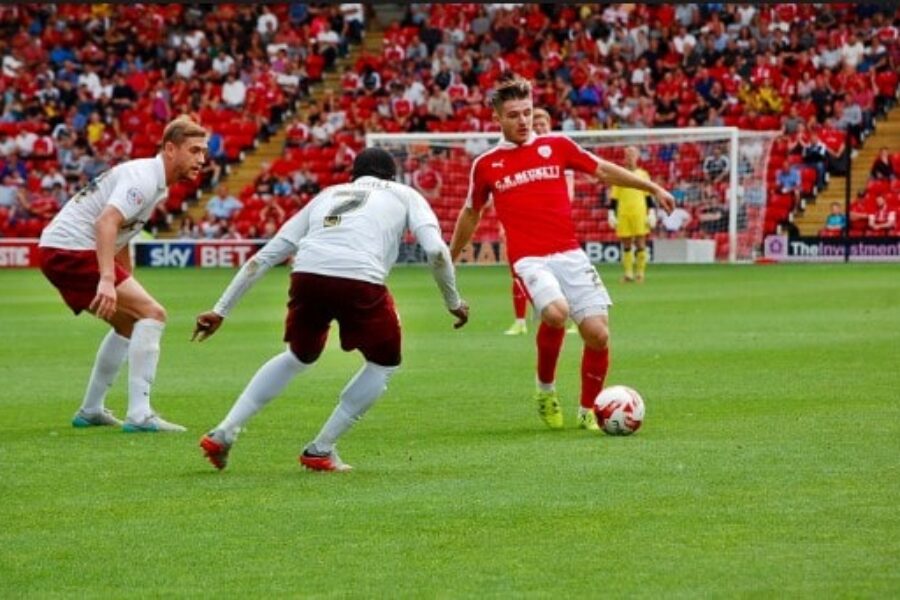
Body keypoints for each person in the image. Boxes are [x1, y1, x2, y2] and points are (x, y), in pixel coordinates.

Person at [194, 148, 469, 472]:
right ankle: (320, 449)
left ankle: (224, 431)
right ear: (391, 176)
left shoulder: (327, 194)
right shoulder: (406, 194)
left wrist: (220, 309)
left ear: (353, 176)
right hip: (360, 282)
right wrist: (453, 302)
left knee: (298, 356)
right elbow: (437, 250)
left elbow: (265, 256)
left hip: (307, 276)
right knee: (383, 364)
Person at [450, 73, 673, 431]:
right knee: (556, 313)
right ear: (498, 118)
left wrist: (651, 187)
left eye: (527, 112)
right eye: (513, 115)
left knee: (598, 334)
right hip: (529, 258)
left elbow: (601, 170)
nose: (522, 120)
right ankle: (545, 390)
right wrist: (451, 257)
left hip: (570, 253)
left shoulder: (557, 145)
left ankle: (589, 409)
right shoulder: (487, 164)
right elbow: (471, 213)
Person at [37, 115, 209, 432]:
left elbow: (120, 234)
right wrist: (107, 280)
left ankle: (91, 410)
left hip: (61, 249)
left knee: (130, 323)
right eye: (194, 150)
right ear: (170, 149)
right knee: (154, 314)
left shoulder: (153, 181)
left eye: (203, 152)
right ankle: (140, 414)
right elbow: (106, 223)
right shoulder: (144, 178)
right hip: (72, 251)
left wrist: (122, 276)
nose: (202, 159)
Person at [504, 107, 577, 336]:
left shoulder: (558, 152)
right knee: (518, 273)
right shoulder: (519, 156)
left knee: (565, 273)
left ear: (549, 126)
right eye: (535, 124)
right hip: (525, 227)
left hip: (554, 225)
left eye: (542, 124)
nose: (538, 127)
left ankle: (575, 318)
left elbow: (569, 192)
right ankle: (520, 321)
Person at [607, 146, 658, 283]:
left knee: (641, 243)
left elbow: (648, 195)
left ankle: (640, 273)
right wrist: (611, 213)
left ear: (637, 156)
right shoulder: (619, 174)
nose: (629, 157)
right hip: (624, 213)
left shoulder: (643, 174)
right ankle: (628, 273)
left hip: (639, 213)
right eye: (627, 154)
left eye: (632, 154)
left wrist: (651, 212)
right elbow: (614, 197)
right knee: (627, 244)